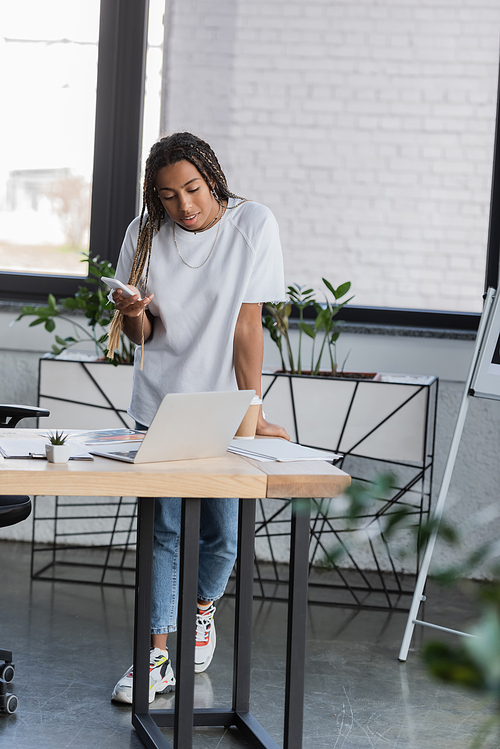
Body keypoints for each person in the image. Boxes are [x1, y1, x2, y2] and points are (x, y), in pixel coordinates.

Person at [107, 132, 289, 704]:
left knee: (222, 535)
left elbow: (247, 323)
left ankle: (201, 608)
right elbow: (145, 336)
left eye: (192, 188)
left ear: (212, 176)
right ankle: (155, 657)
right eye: (167, 195)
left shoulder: (252, 225)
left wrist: (252, 408)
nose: (183, 205)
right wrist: (133, 312)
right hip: (157, 407)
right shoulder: (143, 235)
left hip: (221, 409)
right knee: (162, 530)